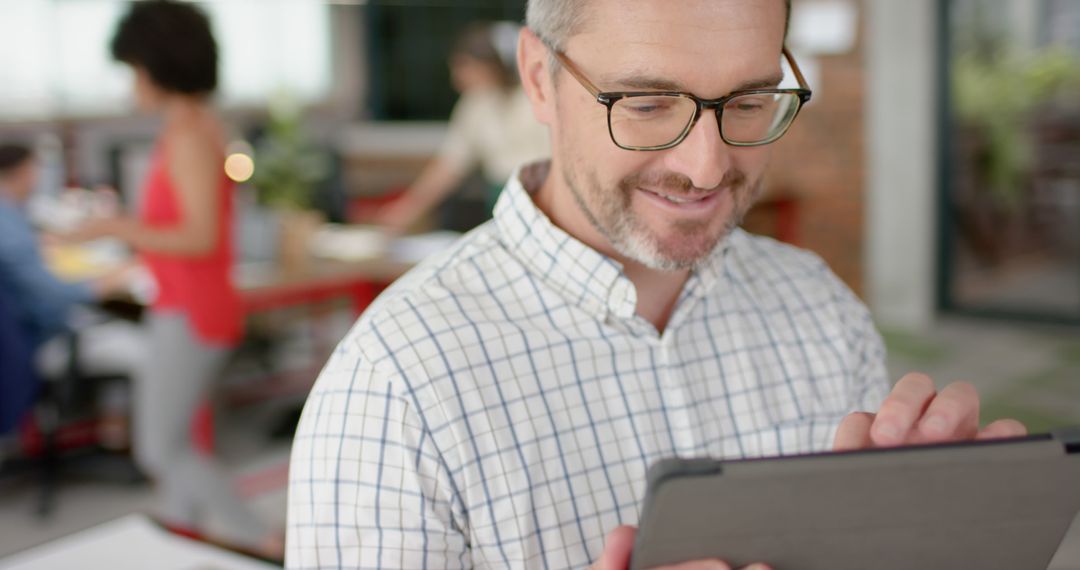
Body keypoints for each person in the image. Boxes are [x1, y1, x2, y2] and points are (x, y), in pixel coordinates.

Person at [286, 1, 1027, 568]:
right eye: (645, 103)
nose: (706, 168)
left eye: (746, 101)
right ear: (540, 80)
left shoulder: (819, 306)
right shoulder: (392, 389)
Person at [65, 1, 276, 554]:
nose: (131, 84)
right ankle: (179, 541)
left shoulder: (187, 134)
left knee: (160, 449)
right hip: (183, 301)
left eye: (133, 69)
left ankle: (265, 541)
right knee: (174, 443)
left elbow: (199, 236)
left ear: (155, 64)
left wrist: (114, 225)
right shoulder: (192, 127)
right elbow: (184, 238)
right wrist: (131, 257)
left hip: (193, 310)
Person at [0, 143, 137, 433]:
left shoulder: (13, 216)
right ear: (24, 172)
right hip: (36, 338)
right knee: (141, 346)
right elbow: (54, 294)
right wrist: (107, 281)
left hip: (25, 334)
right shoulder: (7, 223)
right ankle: (123, 435)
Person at [376, 22, 550, 234]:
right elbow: (451, 164)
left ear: (492, 65)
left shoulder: (536, 97)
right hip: (501, 198)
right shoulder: (476, 103)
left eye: (466, 67)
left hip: (543, 198)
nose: (457, 79)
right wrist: (407, 210)